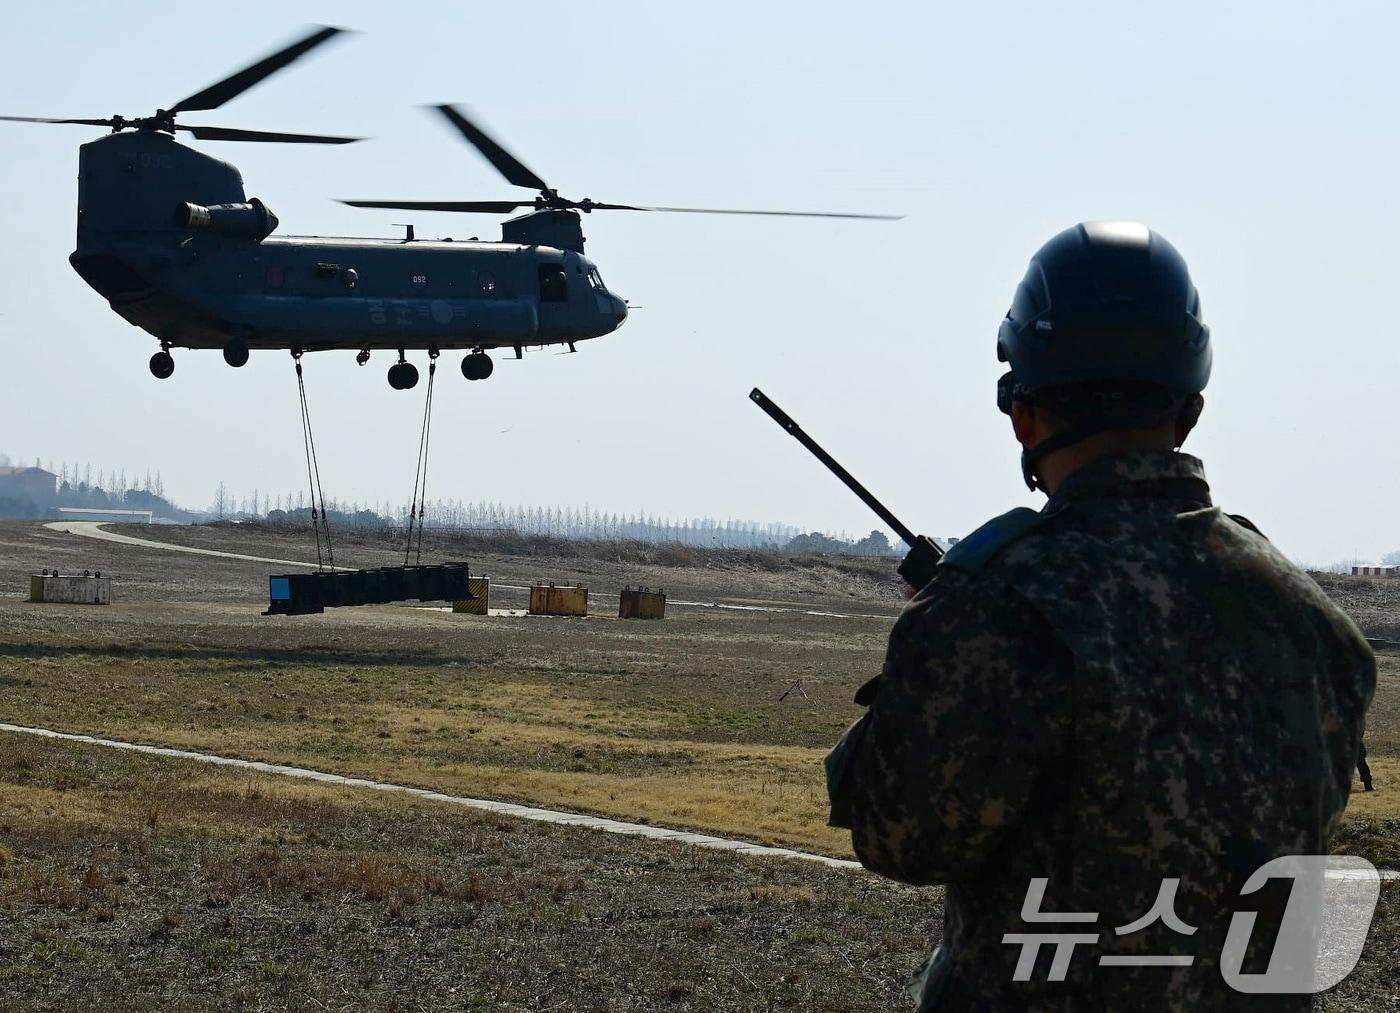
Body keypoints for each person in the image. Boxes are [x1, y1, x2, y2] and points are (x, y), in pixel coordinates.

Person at [826, 222, 1376, 1011]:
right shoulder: (1312, 617)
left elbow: (899, 835)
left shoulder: (998, 602)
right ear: (1189, 407)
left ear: (1024, 411)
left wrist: (926, 663)